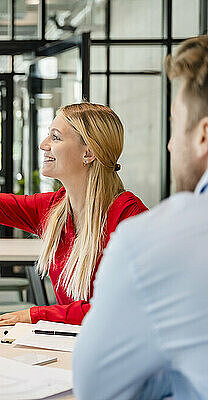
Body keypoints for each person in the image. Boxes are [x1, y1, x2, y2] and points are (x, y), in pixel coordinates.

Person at [0, 96, 147, 326]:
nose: (44, 144)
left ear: (88, 153)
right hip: (71, 344)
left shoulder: (129, 217)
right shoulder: (54, 208)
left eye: (55, 137)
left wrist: (36, 315)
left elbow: (121, 309)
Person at [73, 35, 208, 400]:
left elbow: (98, 389)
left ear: (203, 135)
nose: (169, 144)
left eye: (175, 124)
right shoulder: (55, 207)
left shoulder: (145, 235)